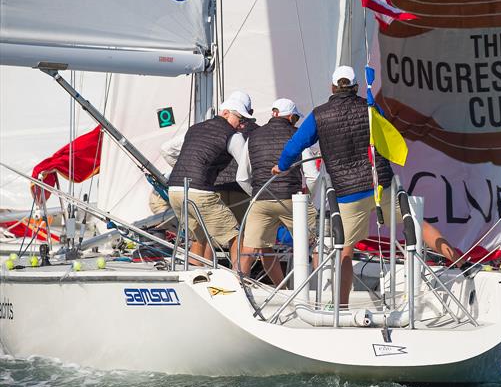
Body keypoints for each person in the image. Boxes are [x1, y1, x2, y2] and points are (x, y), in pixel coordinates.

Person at [272, 66, 461, 306]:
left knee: (346, 250)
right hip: (380, 184)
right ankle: (458, 262)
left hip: (348, 192)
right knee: (416, 222)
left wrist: (281, 165)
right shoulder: (371, 108)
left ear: (332, 87)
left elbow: (293, 147)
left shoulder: (320, 115)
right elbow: (387, 137)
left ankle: (340, 306)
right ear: (356, 87)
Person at [167, 91, 254, 267]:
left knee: (198, 238)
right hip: (200, 193)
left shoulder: (194, 129)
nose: (242, 125)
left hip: (174, 190)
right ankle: (241, 281)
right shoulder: (233, 136)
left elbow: (166, 149)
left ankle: (194, 279)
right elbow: (244, 171)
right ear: (225, 113)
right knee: (236, 236)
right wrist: (255, 193)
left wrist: (185, 170)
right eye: (240, 119)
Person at [236, 98, 316, 284]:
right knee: (317, 243)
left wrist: (257, 194)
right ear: (290, 117)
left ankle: (242, 290)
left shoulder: (252, 136)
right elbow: (312, 175)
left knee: (251, 249)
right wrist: (308, 198)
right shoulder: (297, 135)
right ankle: (318, 293)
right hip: (291, 200)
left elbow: (242, 177)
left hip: (260, 200)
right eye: (295, 117)